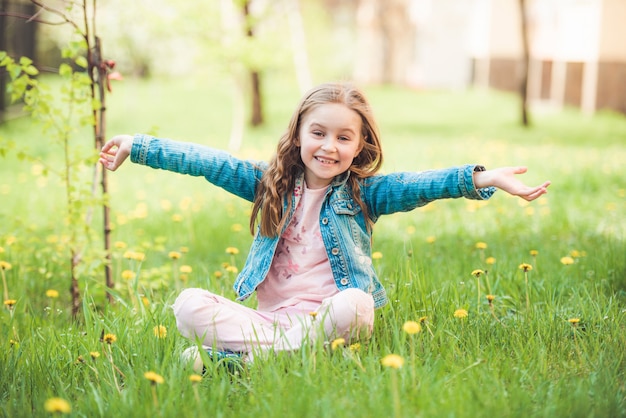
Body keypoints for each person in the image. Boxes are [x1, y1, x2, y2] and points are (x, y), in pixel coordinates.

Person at [99, 82, 550, 368]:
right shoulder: (267, 184)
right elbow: (206, 162)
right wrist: (138, 145)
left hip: (328, 320)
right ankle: (269, 357)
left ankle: (240, 361)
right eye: (318, 133)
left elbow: (420, 184)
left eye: (343, 137)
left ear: (359, 146)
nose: (328, 146)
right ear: (298, 134)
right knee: (187, 305)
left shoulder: (363, 194)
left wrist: (483, 177)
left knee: (356, 304)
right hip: (266, 322)